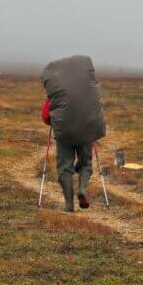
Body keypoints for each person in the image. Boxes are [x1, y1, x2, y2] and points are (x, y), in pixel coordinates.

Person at [41, 56, 107, 213]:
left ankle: (69, 204)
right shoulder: (89, 92)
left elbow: (46, 117)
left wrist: (54, 121)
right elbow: (97, 108)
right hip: (86, 131)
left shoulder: (57, 95)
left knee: (64, 167)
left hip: (65, 135)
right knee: (85, 163)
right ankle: (82, 188)